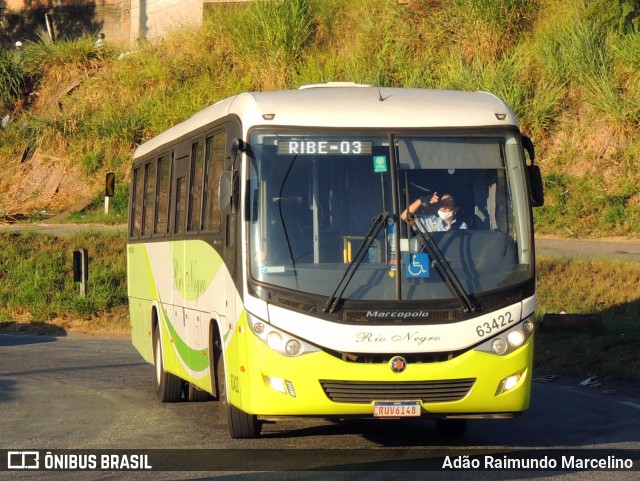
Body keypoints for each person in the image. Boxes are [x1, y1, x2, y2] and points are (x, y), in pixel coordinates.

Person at [401, 192, 468, 232]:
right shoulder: (429, 221)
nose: (444, 207)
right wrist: (421, 200)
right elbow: (404, 217)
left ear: (456, 209)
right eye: (442, 204)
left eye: (448, 204)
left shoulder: (462, 226)